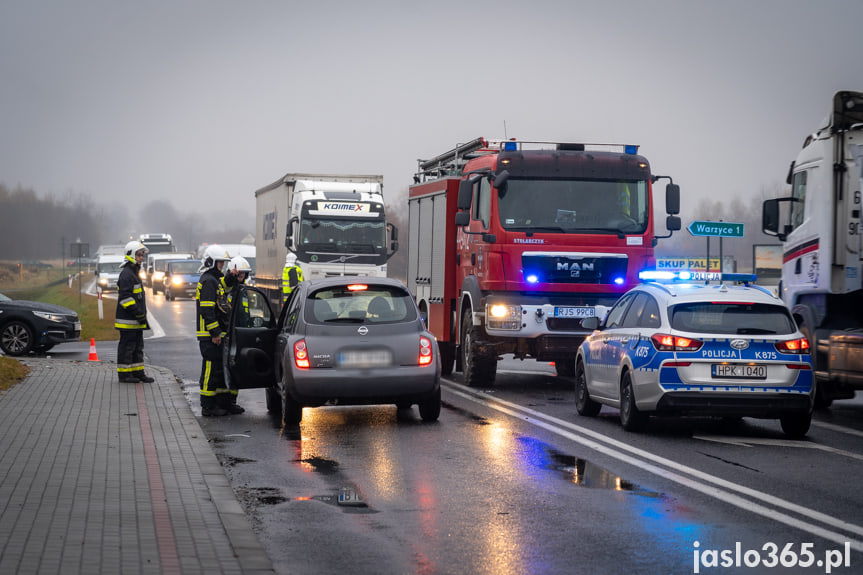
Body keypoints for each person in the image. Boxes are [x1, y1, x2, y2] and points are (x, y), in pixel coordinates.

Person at [195, 245, 238, 416]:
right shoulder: (208, 281)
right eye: (220, 263)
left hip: (215, 335)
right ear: (211, 262)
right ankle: (207, 406)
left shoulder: (214, 280)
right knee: (210, 370)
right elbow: (207, 310)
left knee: (218, 369)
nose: (222, 265)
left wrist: (231, 277)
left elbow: (223, 292)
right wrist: (215, 333)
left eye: (223, 263)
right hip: (210, 336)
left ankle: (219, 403)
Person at [115, 240, 155, 383]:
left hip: (135, 321)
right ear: (131, 255)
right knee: (127, 347)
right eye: (139, 255)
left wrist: (140, 315)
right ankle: (125, 375)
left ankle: (138, 372)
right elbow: (125, 298)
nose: (141, 258)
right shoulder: (126, 275)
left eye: (142, 255)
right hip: (128, 321)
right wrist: (138, 312)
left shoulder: (134, 273)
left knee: (138, 348)